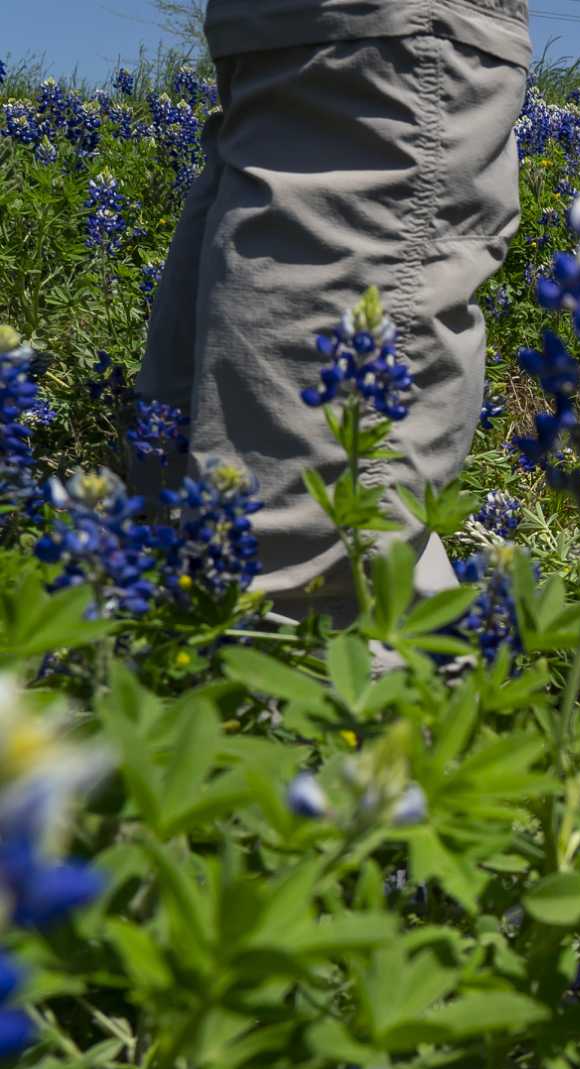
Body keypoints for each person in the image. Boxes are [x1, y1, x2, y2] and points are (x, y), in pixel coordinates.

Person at [133, 0, 530, 624]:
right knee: (308, 586)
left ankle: (183, 681)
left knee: (177, 500)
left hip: (304, 36)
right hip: (383, 43)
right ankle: (290, 704)